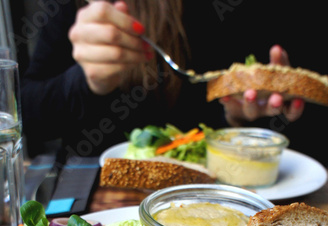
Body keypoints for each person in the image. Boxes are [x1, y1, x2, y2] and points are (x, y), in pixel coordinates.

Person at [20, 0, 306, 160]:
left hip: (216, 182)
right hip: (94, 191)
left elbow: (228, 108)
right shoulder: (75, 7)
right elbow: (28, 117)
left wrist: (239, 115)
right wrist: (84, 82)